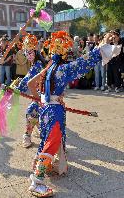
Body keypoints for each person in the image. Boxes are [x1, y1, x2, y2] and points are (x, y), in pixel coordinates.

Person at [27, 31, 101, 197]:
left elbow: (32, 84)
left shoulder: (48, 67)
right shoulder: (62, 69)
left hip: (45, 109)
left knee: (48, 139)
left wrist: (42, 100)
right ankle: (37, 181)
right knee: (51, 142)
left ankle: (50, 166)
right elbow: (84, 62)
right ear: (64, 52)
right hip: (54, 111)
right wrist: (101, 48)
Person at [16, 34, 47, 148]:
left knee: (32, 110)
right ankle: (38, 126)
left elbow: (28, 79)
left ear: (35, 52)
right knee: (35, 110)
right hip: (39, 93)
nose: (28, 55)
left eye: (30, 52)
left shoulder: (38, 64)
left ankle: (27, 135)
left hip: (45, 95)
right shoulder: (36, 63)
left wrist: (16, 89)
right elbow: (28, 78)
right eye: (26, 52)